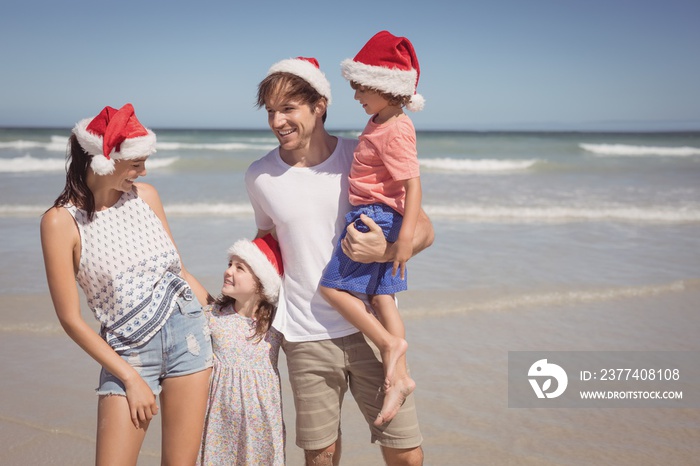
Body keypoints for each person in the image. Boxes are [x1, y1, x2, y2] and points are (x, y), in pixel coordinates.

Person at [246, 55, 433, 466]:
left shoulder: (361, 154)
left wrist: (385, 252)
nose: (278, 121)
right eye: (271, 112)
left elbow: (424, 229)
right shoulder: (259, 176)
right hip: (305, 335)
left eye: (288, 108)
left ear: (320, 105)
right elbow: (268, 242)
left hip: (375, 330)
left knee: (406, 453)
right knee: (321, 456)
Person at [40, 103, 213, 466]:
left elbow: (178, 269)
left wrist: (223, 314)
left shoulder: (146, 196)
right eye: (136, 163)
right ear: (104, 161)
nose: (143, 171)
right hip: (128, 353)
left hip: (189, 335)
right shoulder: (60, 223)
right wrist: (130, 378)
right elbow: (71, 319)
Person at [319, 30, 426, 427]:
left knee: (332, 286)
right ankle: (399, 378)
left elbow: (413, 185)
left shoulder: (396, 128)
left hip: (376, 218)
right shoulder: (379, 120)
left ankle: (388, 343)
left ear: (386, 87)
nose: (356, 96)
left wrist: (402, 244)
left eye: (363, 88)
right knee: (382, 299)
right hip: (380, 215)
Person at [197, 234, 285, 465]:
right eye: (229, 264)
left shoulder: (276, 324)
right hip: (219, 420)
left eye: (239, 267)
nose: (229, 271)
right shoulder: (214, 315)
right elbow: (185, 276)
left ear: (261, 283)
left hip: (261, 424)